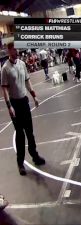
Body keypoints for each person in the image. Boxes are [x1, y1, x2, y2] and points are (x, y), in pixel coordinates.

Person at [1, 43, 45, 176]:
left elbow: (27, 81)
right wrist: (9, 107)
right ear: (9, 50)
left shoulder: (22, 64)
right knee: (20, 135)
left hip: (24, 102)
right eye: (14, 49)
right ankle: (20, 163)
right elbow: (5, 89)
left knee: (30, 133)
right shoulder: (5, 69)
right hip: (15, 104)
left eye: (17, 49)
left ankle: (35, 156)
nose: (17, 51)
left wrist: (34, 97)